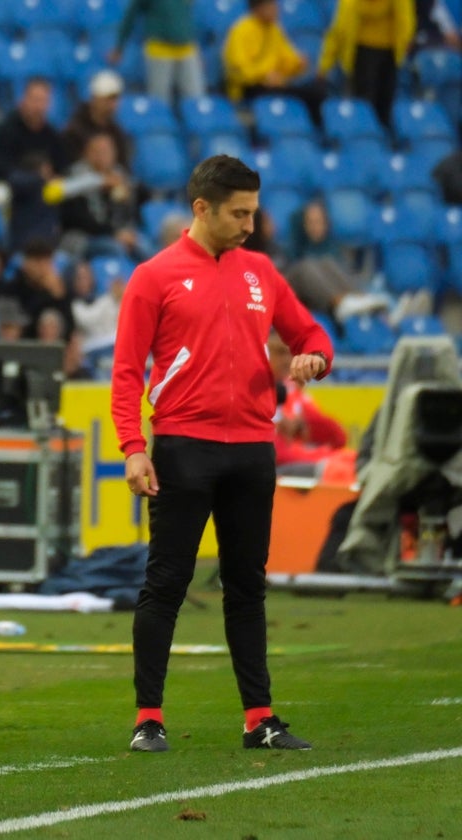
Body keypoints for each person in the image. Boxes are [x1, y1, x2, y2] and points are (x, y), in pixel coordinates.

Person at [111, 154, 334, 754]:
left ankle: (259, 718)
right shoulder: (153, 277)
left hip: (253, 453)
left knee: (247, 588)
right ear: (201, 209)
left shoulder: (261, 271)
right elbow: (127, 373)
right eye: (239, 213)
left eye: (255, 212)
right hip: (184, 450)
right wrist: (134, 449)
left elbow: (310, 334)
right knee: (167, 584)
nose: (250, 225)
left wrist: (316, 357)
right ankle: (148, 719)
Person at [223, 0, 326, 125]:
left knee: (316, 92)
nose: (276, 10)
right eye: (271, 6)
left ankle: (312, 136)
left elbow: (286, 59)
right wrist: (263, 76)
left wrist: (298, 64)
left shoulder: (275, 30)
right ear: (258, 8)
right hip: (249, 88)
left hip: (275, 85)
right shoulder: (241, 31)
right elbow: (236, 71)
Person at [319, 0, 416, 127]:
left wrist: (325, 64)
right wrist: (324, 65)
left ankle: (374, 141)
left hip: (379, 54)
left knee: (374, 108)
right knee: (372, 107)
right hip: (370, 54)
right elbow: (339, 30)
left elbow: (339, 29)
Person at [0, 77, 68, 203]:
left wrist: (54, 177)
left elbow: (61, 166)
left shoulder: (51, 134)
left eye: (43, 101)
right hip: (6, 187)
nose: (38, 107)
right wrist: (34, 176)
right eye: (35, 100)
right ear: (23, 100)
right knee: (0, 194)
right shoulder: (4, 130)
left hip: (40, 189)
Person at [267, 330, 348, 470]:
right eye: (280, 353)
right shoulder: (252, 393)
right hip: (277, 466)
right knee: (338, 469)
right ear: (265, 355)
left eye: (289, 353)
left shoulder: (293, 391)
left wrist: (303, 423)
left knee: (351, 459)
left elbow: (338, 437)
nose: (287, 360)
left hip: (297, 460)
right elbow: (274, 451)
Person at [57, 132, 146, 261]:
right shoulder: (76, 178)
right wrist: (114, 234)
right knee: (116, 248)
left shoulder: (120, 176)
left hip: (117, 233)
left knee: (146, 246)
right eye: (98, 151)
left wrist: (127, 198)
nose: (103, 156)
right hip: (83, 238)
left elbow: (131, 213)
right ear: (87, 153)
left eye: (107, 151)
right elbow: (78, 219)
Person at [111, 0, 205, 105]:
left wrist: (197, 51)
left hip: (186, 48)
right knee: (159, 101)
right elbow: (131, 15)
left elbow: (186, 18)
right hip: (160, 49)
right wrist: (119, 46)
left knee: (196, 98)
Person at [60, 70, 133, 170]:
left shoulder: (116, 132)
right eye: (108, 99)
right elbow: (69, 166)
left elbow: (123, 165)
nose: (112, 105)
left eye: (115, 99)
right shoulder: (74, 130)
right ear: (95, 98)